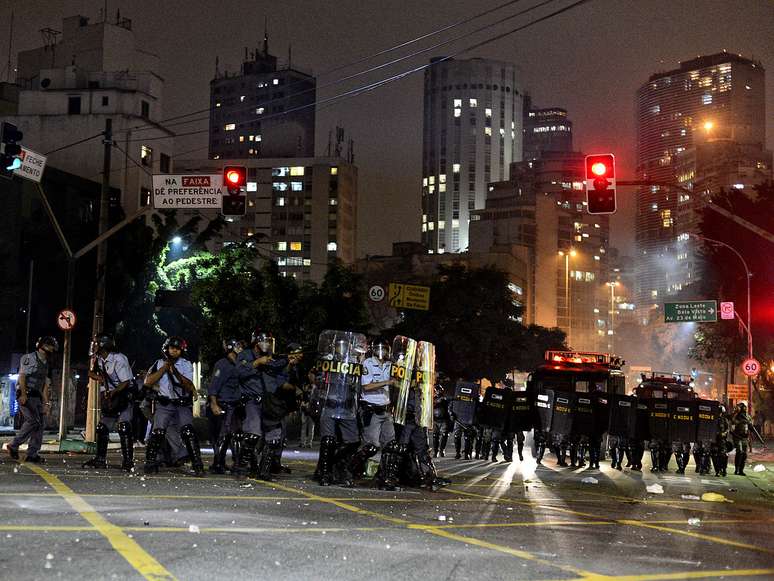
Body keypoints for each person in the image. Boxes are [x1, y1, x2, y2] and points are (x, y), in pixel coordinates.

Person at [142, 336, 204, 476]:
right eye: (172, 348)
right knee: (158, 432)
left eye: (177, 349)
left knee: (188, 431)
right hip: (164, 403)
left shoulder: (186, 364)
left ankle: (197, 464)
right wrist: (164, 368)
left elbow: (188, 385)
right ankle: (150, 463)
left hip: (181, 403)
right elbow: (148, 382)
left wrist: (174, 371)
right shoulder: (158, 363)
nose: (174, 351)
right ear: (166, 348)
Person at [234, 329, 286, 479]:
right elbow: (239, 373)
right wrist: (256, 363)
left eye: (268, 341)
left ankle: (264, 471)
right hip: (252, 401)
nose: (266, 344)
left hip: (269, 402)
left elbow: (281, 371)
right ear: (256, 342)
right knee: (253, 434)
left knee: (274, 438)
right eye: (263, 340)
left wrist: (288, 360)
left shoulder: (272, 358)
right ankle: (242, 468)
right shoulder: (245, 355)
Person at [82, 334, 135, 470]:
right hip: (111, 397)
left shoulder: (119, 359)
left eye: (97, 343)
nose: (94, 346)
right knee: (102, 427)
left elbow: (125, 381)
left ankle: (128, 461)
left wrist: (112, 392)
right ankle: (100, 459)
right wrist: (100, 379)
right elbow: (92, 373)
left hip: (123, 395)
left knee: (123, 427)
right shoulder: (99, 359)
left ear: (104, 345)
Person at [4, 336, 57, 463]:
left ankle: (32, 454)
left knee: (40, 424)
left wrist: (46, 402)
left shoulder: (46, 363)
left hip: (36, 396)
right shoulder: (30, 358)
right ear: (43, 346)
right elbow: (22, 376)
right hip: (26, 394)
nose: (53, 348)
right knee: (33, 420)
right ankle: (13, 445)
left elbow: (44, 384)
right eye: (50, 345)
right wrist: (23, 394)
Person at [352, 339, 394, 482]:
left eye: (384, 349)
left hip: (387, 410)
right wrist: (387, 382)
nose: (382, 352)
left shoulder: (391, 365)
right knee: (372, 446)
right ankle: (352, 469)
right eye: (379, 349)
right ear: (373, 350)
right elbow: (367, 386)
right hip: (372, 409)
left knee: (390, 445)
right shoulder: (368, 363)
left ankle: (384, 476)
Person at [208, 338, 243, 474]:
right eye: (238, 346)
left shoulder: (240, 365)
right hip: (224, 404)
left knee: (234, 435)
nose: (240, 348)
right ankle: (218, 463)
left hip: (235, 406)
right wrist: (213, 403)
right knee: (222, 436)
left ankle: (234, 462)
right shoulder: (222, 364)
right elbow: (214, 385)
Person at [731, 402, 753, 476]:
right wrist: (740, 422)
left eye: (745, 408)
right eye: (743, 407)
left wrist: (749, 424)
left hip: (745, 437)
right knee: (739, 452)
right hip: (738, 437)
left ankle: (741, 470)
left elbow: (750, 426)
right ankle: (736, 469)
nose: (744, 409)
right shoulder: (736, 416)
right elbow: (733, 424)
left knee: (744, 454)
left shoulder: (748, 417)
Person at [298, 371, 317, 448]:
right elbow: (302, 395)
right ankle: (302, 442)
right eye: (309, 375)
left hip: (312, 409)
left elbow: (316, 398)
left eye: (312, 375)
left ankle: (309, 443)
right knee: (303, 426)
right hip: (304, 408)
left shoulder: (316, 386)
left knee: (311, 427)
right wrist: (302, 403)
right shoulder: (305, 385)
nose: (310, 377)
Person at [711, 405, 731, 477]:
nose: (719, 413)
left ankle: (724, 469)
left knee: (724, 455)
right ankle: (717, 470)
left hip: (722, 440)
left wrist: (724, 433)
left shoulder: (724, 420)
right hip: (714, 440)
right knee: (714, 455)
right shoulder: (712, 419)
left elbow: (728, 429)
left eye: (720, 412)